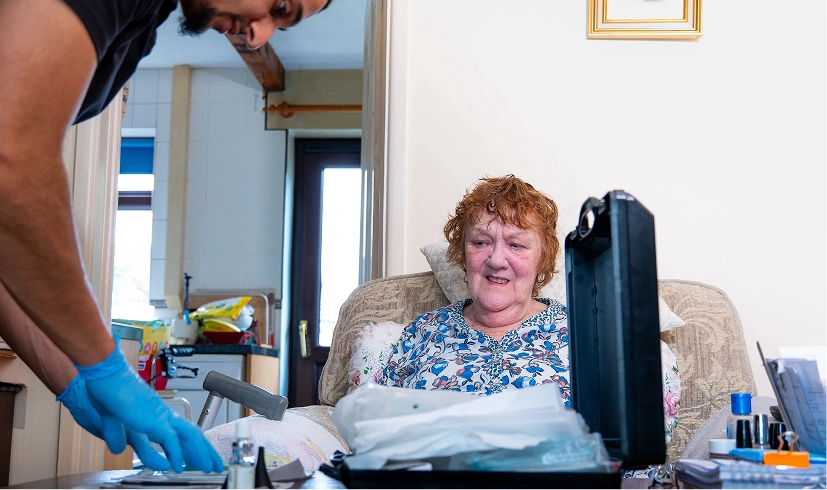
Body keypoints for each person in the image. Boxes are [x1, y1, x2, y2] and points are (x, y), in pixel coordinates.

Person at [0, 0, 330, 473]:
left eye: (282, 24)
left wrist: (72, 379)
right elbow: (12, 159)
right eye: (279, 7)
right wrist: (105, 366)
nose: (259, 37)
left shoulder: (142, 29)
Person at [380, 175, 571, 405]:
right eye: (481, 242)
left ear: (542, 259)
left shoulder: (578, 332)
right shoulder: (422, 332)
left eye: (516, 245)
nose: (497, 260)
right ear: (463, 254)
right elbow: (382, 417)